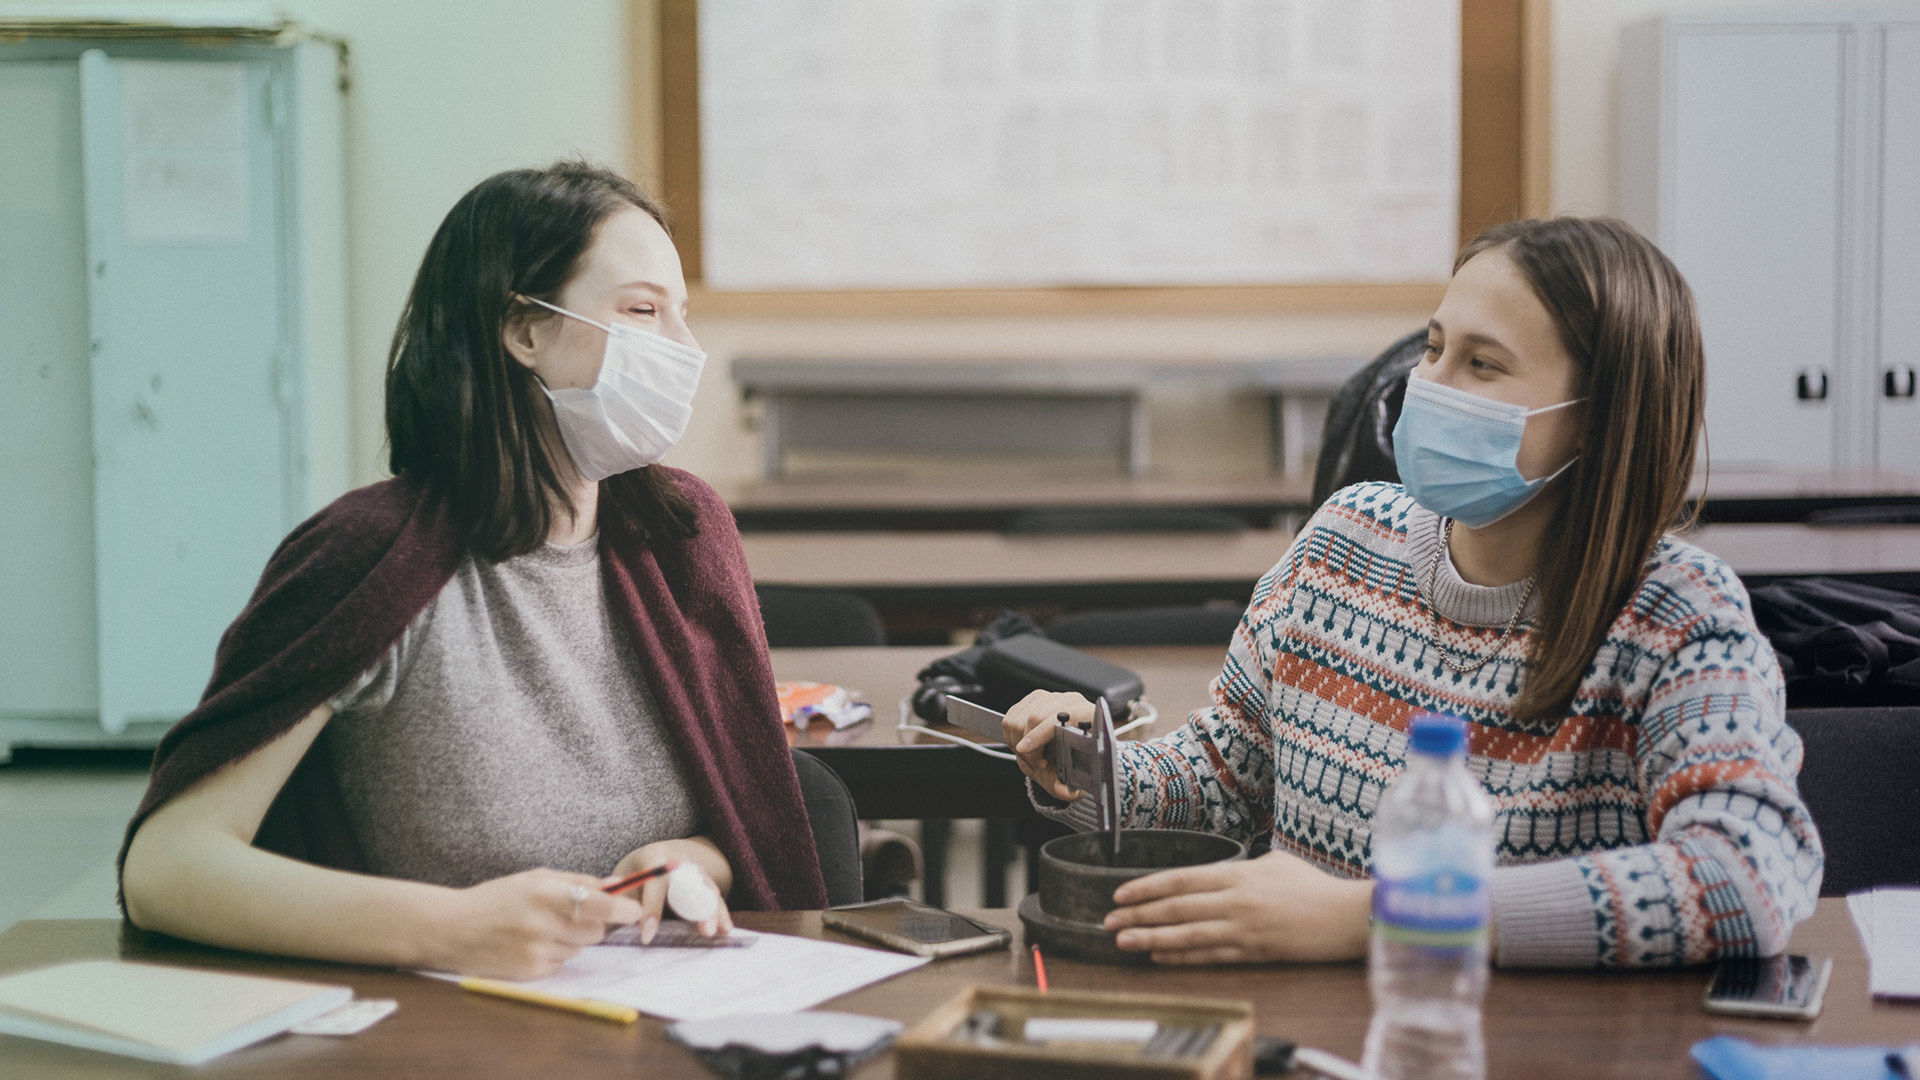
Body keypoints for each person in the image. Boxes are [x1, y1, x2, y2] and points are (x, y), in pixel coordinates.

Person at [1005, 217, 1822, 968]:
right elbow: (1226, 778)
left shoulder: (1678, 613)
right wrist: (1095, 769)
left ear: (1598, 418)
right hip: (1312, 1038)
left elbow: (1742, 878)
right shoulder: (1341, 540)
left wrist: (1370, 918)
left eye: (1482, 362)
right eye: (1432, 348)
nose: (1427, 384)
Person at [119, 161, 826, 980]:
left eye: (682, 314)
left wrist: (694, 858)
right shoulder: (367, 556)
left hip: (655, 1008)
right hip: (434, 1027)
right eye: (642, 310)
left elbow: (751, 815)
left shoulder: (682, 535)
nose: (684, 350)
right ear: (523, 329)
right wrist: (448, 927)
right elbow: (168, 865)